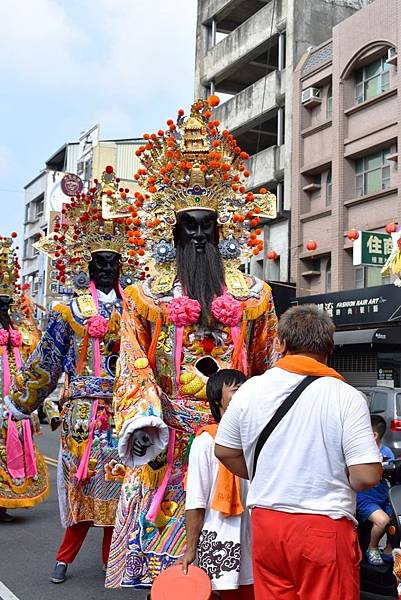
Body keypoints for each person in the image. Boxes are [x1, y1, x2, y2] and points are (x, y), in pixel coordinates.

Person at [105, 98, 278, 589]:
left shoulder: (252, 295)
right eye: (190, 226)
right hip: (169, 438)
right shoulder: (146, 296)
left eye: (208, 226)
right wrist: (144, 418)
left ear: (223, 231)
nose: (199, 236)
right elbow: (134, 363)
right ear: (173, 230)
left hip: (231, 441)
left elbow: (270, 365)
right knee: (166, 559)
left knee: (227, 558)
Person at [5, 168, 136, 583]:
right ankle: (64, 556)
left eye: (112, 262)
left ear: (122, 265)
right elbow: (47, 359)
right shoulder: (70, 310)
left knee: (123, 483)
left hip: (127, 409)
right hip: (81, 414)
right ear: (87, 265)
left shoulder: (136, 307)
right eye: (99, 262)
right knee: (81, 486)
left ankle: (111, 558)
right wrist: (23, 402)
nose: (105, 269)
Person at [215, 304, 382, 600]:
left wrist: (260, 471)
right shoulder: (345, 396)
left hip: (267, 525)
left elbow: (225, 450)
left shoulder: (250, 390)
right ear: (330, 347)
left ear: (280, 343)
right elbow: (366, 475)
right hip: (323, 526)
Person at [183, 368, 254, 600]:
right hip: (219, 542)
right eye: (236, 390)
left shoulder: (257, 438)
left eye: (246, 389)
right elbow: (196, 500)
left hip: (256, 541)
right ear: (217, 400)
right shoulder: (205, 442)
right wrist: (191, 547)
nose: (243, 394)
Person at [0, 235, 49, 522]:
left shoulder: (19, 332)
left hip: (13, 402)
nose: (4, 308)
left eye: (7, 304)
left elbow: (35, 361)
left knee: (10, 450)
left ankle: (4, 501)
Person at [357, 414, 395, 565]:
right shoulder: (361, 452)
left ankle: (389, 548)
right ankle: (372, 548)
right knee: (383, 520)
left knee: (396, 521)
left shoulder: (387, 453)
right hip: (365, 497)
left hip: (384, 496)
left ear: (374, 435)